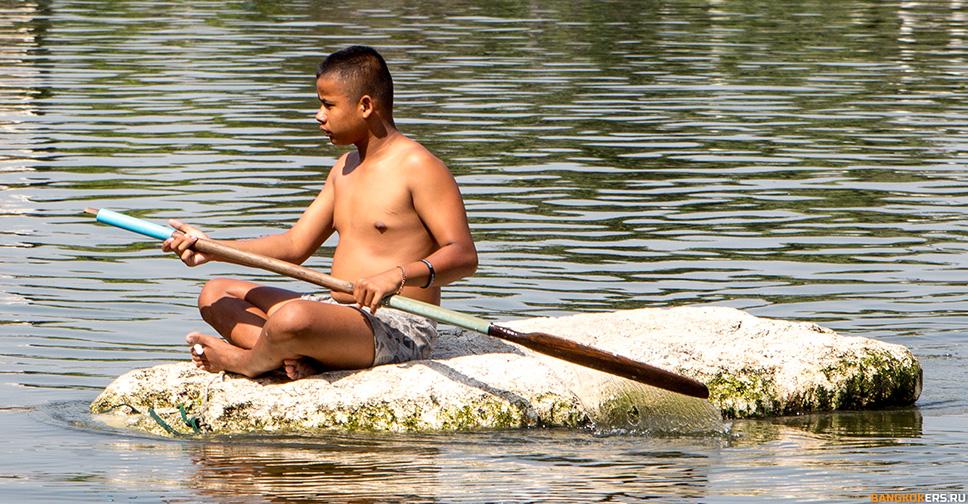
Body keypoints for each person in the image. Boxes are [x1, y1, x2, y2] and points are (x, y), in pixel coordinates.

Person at [162, 45, 477, 380]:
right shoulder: (344, 168)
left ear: (365, 106)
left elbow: (463, 255)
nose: (319, 115)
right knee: (215, 294)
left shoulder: (420, 167)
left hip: (396, 324)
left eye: (328, 104)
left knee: (293, 318)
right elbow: (294, 246)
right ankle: (291, 357)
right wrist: (212, 249)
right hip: (337, 313)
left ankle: (247, 362)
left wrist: (396, 276)